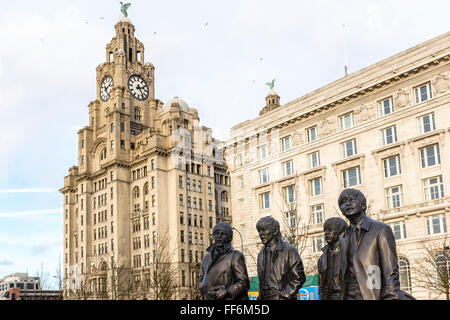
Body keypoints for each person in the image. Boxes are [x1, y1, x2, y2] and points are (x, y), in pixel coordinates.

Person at [338, 188, 415, 300]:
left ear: (363, 205)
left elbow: (390, 269)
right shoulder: (342, 237)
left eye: (351, 199)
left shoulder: (381, 229)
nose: (348, 203)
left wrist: (391, 294)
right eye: (343, 202)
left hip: (370, 294)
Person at [256, 216, 306, 300]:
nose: (261, 234)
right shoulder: (261, 254)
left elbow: (298, 278)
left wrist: (284, 296)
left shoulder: (289, 250)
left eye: (264, 230)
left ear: (274, 231)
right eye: (259, 231)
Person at [199, 222, 250, 300]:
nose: (219, 236)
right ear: (213, 236)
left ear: (230, 237)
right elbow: (202, 278)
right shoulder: (206, 258)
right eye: (216, 233)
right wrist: (202, 286)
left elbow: (244, 283)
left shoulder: (235, 256)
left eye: (223, 233)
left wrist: (227, 291)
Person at [318, 217, 347, 300]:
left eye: (330, 230)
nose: (326, 233)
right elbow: (321, 284)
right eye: (325, 230)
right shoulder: (322, 258)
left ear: (340, 232)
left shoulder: (349, 254)